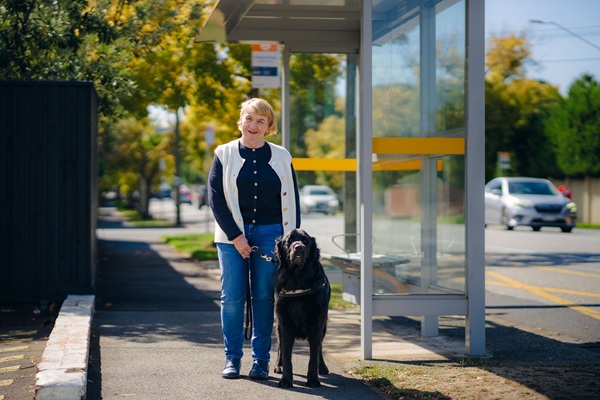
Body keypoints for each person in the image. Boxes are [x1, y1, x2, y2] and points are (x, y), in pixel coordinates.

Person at [208, 97, 301, 380]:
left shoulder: (282, 156)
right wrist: (237, 237)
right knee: (233, 297)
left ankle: (260, 361)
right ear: (241, 121)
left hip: (272, 235)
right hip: (231, 236)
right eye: (249, 118)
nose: (253, 125)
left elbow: (293, 200)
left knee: (263, 297)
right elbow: (215, 198)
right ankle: (232, 359)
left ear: (269, 126)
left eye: (261, 120)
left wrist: (289, 242)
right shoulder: (223, 153)